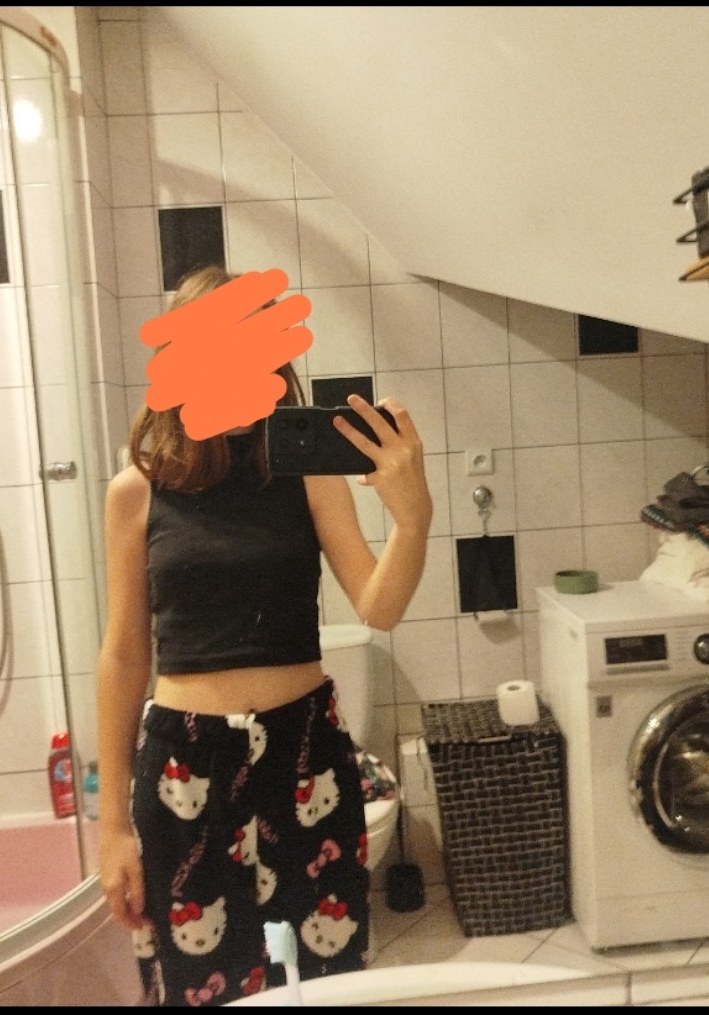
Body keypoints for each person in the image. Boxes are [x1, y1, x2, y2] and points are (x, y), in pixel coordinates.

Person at [96, 265, 433, 1006]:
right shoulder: (136, 492)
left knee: (332, 985)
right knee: (200, 989)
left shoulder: (307, 475)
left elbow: (378, 607)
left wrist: (414, 519)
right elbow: (122, 655)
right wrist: (112, 824)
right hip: (184, 766)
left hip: (303, 749)